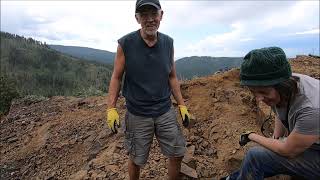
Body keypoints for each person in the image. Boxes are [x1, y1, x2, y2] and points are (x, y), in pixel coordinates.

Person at [106, 0, 191, 179]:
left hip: (164, 110)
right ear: (137, 18)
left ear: (161, 15)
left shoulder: (168, 43)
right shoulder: (126, 43)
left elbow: (172, 76)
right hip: (137, 113)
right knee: (137, 159)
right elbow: (116, 77)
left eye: (154, 14)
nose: (150, 19)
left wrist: (182, 105)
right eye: (144, 14)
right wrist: (111, 108)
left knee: (177, 153)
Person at [222, 47, 320, 180]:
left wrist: (251, 135)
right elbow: (280, 107)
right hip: (311, 140)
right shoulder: (286, 84)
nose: (258, 99)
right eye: (253, 92)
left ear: (282, 86)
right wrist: (276, 137)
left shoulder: (311, 108)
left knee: (255, 156)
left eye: (263, 92)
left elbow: (287, 150)